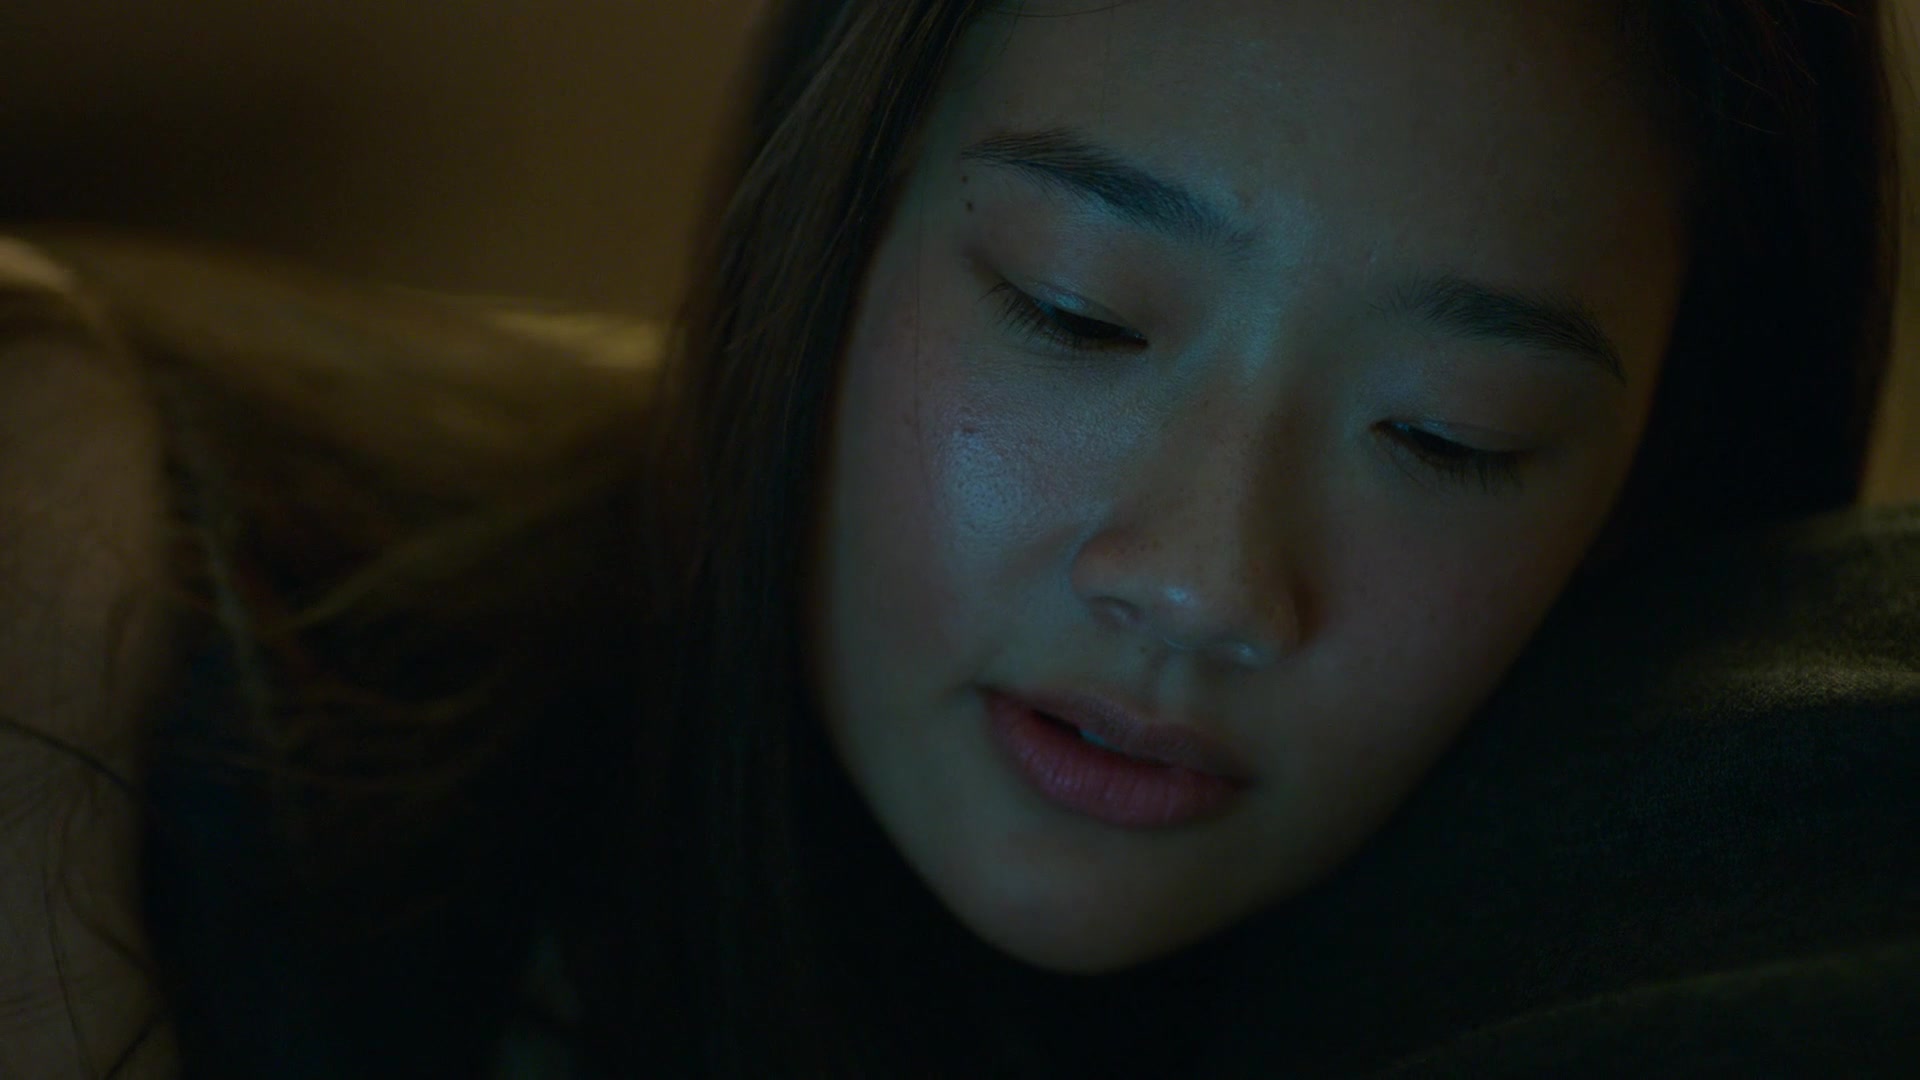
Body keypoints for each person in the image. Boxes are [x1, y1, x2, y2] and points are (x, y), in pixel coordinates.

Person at [0, 0, 1900, 1076]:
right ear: (835, 220)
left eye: (1447, 436)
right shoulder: (130, 599)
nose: (1204, 581)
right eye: (1075, 312)